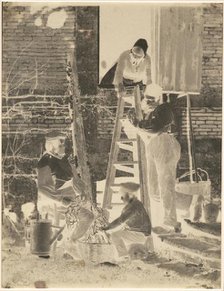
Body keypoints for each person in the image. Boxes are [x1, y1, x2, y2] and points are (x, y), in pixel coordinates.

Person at [132, 84, 182, 233]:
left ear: (159, 98)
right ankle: (190, 201)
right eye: (147, 98)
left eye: (151, 99)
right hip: (153, 145)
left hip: (165, 144)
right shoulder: (150, 110)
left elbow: (154, 128)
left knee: (165, 185)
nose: (148, 101)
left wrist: (137, 123)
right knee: (154, 190)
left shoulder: (164, 109)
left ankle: (170, 222)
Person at [102, 182, 153, 260]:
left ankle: (123, 256)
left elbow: (121, 220)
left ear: (129, 195)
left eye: (122, 196)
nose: (121, 199)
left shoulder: (134, 206)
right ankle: (127, 255)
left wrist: (107, 227)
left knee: (115, 235)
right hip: (138, 233)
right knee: (116, 235)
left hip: (140, 235)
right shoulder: (134, 204)